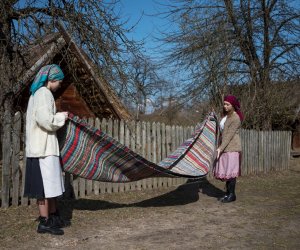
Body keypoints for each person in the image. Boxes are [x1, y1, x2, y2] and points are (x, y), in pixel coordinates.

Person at [23, 64, 68, 235]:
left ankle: (54, 216)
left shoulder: (40, 93)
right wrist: (60, 117)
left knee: (52, 185)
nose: (60, 85)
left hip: (45, 147)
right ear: (52, 79)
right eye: (60, 82)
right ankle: (44, 222)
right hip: (42, 148)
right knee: (43, 187)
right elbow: (45, 120)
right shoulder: (43, 93)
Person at [214, 95, 243, 203]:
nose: (225, 106)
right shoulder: (226, 116)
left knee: (231, 173)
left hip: (232, 148)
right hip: (225, 147)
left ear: (233, 105)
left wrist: (220, 148)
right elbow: (221, 130)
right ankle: (227, 194)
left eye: (228, 104)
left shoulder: (236, 118)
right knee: (227, 172)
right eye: (224, 104)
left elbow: (229, 135)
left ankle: (232, 195)